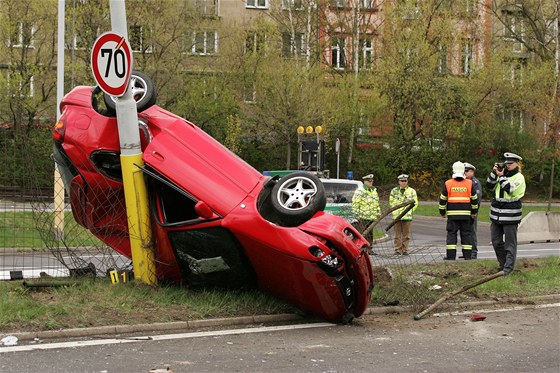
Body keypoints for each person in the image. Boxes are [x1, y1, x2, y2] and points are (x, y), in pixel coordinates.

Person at [486, 152, 526, 275]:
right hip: (496, 215)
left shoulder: (519, 177)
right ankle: (503, 265)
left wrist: (501, 176)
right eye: (506, 163)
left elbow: (510, 189)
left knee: (510, 244)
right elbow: (489, 185)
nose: (507, 165)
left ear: (516, 164)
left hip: (511, 215)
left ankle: (508, 270)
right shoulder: (501, 174)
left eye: (510, 163)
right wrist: (494, 173)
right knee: (496, 241)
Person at [439, 161, 479, 260]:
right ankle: (467, 256)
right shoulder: (469, 183)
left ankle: (451, 256)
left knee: (451, 235)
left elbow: (442, 199)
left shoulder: (448, 183)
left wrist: (442, 212)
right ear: (463, 171)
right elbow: (474, 200)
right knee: (466, 234)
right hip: (466, 216)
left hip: (452, 216)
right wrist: (474, 212)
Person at [389, 174, 418, 255]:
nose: (404, 182)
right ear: (399, 182)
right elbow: (391, 202)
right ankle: (397, 249)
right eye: (402, 181)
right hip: (397, 216)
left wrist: (410, 211)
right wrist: (396, 211)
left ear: (407, 181)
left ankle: (405, 250)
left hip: (407, 216)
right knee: (397, 235)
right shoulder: (394, 191)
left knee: (406, 235)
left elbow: (415, 203)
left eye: (405, 181)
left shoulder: (412, 191)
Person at [352, 173, 381, 243]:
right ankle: (362, 249)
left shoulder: (373, 191)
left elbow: (376, 202)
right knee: (362, 234)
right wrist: (357, 215)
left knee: (370, 234)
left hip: (372, 217)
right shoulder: (360, 191)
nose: (371, 183)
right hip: (362, 217)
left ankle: (369, 248)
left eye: (372, 181)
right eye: (369, 181)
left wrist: (378, 213)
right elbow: (356, 203)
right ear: (365, 182)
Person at [464, 162, 483, 259]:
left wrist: (474, 211)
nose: (465, 173)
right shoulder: (463, 182)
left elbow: (477, 199)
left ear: (472, 172)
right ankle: (466, 252)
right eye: (465, 171)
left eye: (467, 171)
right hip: (464, 211)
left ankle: (474, 252)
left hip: (472, 211)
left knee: (472, 232)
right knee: (465, 232)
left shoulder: (475, 183)